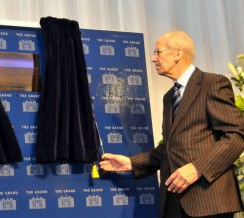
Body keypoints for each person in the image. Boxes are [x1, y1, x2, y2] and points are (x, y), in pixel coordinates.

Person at [99, 31, 244, 218]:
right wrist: (131, 163)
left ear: (177, 54)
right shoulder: (170, 97)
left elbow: (236, 135)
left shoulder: (212, 83)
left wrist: (197, 168)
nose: (153, 59)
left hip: (208, 202)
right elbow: (169, 149)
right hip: (173, 202)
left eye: (157, 52)